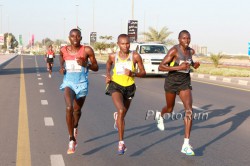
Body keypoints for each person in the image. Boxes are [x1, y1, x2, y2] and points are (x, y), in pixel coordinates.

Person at [156, 30, 200, 156]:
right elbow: (161, 66)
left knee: (189, 110)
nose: (187, 40)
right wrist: (178, 68)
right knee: (170, 109)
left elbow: (190, 64)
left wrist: (195, 65)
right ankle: (160, 115)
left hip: (184, 83)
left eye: (188, 38)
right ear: (179, 39)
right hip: (171, 82)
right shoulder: (174, 51)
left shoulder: (191, 51)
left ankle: (186, 144)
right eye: (184, 38)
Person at [59, 28, 99, 154]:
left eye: (77, 36)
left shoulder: (87, 50)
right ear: (69, 38)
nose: (75, 39)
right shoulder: (63, 50)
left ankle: (75, 126)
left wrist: (85, 64)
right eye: (72, 36)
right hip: (68, 83)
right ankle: (71, 139)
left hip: (81, 84)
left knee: (77, 110)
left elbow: (96, 67)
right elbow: (61, 58)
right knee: (69, 108)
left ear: (81, 38)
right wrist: (62, 68)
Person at [106, 34, 146, 155]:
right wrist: (108, 74)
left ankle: (117, 117)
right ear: (118, 44)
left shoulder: (135, 56)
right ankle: (121, 143)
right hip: (115, 86)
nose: (125, 46)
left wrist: (132, 73)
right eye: (122, 43)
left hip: (129, 88)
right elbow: (108, 64)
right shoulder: (113, 56)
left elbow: (143, 72)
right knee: (122, 110)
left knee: (122, 115)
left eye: (127, 43)